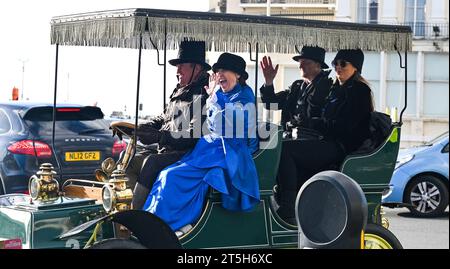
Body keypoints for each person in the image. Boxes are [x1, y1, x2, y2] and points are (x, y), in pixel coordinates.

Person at [142, 53, 260, 231]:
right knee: (166, 172)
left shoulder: (244, 96)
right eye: (217, 70)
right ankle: (151, 220)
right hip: (211, 149)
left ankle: (173, 224)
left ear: (238, 75)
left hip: (230, 152)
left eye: (224, 70)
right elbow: (212, 123)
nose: (219, 74)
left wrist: (214, 99)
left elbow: (228, 125)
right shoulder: (220, 94)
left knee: (174, 176)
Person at [276, 49, 374, 225]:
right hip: (326, 140)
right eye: (336, 63)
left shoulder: (359, 91)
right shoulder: (336, 88)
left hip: (341, 146)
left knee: (286, 150)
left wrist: (315, 123)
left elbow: (346, 126)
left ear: (355, 68)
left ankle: (288, 207)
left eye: (343, 64)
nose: (338, 67)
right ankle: (288, 199)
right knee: (281, 146)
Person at [127, 40, 211, 209]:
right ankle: (121, 208)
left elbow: (193, 136)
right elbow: (164, 116)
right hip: (169, 148)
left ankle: (136, 216)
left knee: (151, 162)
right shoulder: (180, 89)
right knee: (131, 159)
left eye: (182, 66)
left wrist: (160, 137)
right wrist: (145, 126)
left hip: (189, 153)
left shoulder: (203, 93)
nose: (177, 71)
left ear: (197, 68)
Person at [259, 46, 332, 137]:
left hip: (312, 142)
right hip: (289, 137)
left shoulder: (327, 88)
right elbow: (271, 104)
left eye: (305, 63)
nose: (300, 66)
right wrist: (269, 82)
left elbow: (325, 121)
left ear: (318, 65)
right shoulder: (296, 87)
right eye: (300, 63)